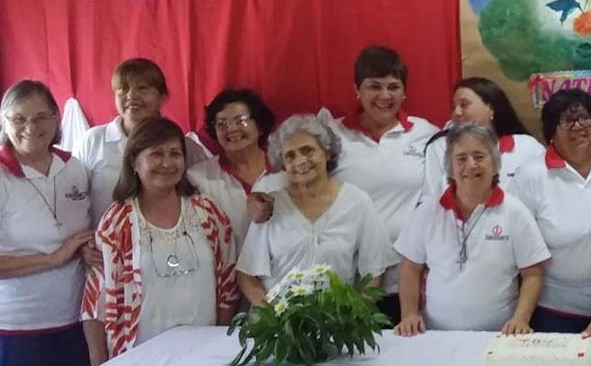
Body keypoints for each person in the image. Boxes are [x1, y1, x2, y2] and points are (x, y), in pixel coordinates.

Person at [82, 118, 237, 364]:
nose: (166, 163)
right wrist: (98, 365)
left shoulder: (208, 213)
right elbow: (95, 303)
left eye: (175, 153)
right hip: (136, 358)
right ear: (134, 162)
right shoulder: (117, 222)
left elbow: (228, 287)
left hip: (202, 356)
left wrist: (217, 343)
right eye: (156, 154)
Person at [0, 81, 92, 366]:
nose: (30, 127)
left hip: (75, 324)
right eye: (18, 119)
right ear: (5, 123)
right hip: (17, 330)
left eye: (40, 117)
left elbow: (86, 228)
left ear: (56, 119)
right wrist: (52, 259)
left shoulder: (74, 167)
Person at [394, 122, 548, 335]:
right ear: (450, 167)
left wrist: (520, 319)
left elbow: (533, 274)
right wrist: (409, 314)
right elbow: (411, 267)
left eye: (479, 156)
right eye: (461, 158)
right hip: (434, 335)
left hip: (498, 335)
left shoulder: (515, 212)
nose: (471, 165)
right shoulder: (428, 211)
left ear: (495, 164)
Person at [321, 46, 438, 321]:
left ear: (404, 91)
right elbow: (298, 183)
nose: (385, 96)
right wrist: (263, 199)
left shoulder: (427, 134)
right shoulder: (331, 135)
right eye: (374, 86)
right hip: (348, 280)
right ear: (356, 89)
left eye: (393, 87)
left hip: (408, 282)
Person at [235, 115, 392, 306]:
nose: (300, 161)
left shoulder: (357, 202)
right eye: (290, 156)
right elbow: (247, 275)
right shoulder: (270, 205)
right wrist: (272, 316)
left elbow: (374, 272)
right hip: (281, 326)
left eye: (307, 150)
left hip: (337, 323)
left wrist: (355, 317)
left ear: (326, 153)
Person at [509, 89, 591, 333]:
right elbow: (516, 247)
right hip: (552, 310)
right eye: (567, 120)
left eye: (585, 118)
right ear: (551, 131)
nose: (578, 126)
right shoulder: (530, 176)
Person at [75, 58, 208, 224]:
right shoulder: (93, 140)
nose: (131, 96)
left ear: (163, 97)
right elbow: (75, 200)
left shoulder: (185, 147)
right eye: (123, 89)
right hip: (105, 245)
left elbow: (202, 198)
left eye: (142, 88)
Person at [421, 77, 543, 199]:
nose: (457, 112)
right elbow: (431, 199)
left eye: (464, 105)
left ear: (490, 108)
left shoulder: (526, 146)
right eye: (453, 107)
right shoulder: (441, 145)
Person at [186, 88, 278, 245]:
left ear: (260, 126)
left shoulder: (287, 168)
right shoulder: (198, 178)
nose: (232, 129)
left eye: (241, 120)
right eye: (222, 123)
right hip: (230, 268)